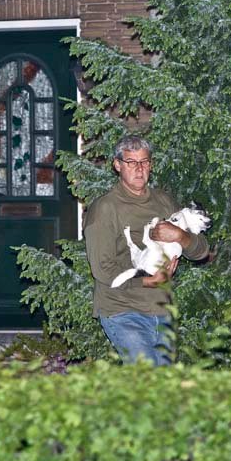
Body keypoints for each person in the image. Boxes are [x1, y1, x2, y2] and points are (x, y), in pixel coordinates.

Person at [83, 136, 209, 365]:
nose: (139, 169)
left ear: (151, 164)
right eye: (131, 162)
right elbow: (102, 269)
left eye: (144, 162)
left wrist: (181, 236)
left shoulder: (163, 201)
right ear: (117, 165)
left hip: (161, 310)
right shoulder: (105, 209)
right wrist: (146, 281)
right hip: (122, 310)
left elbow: (201, 252)